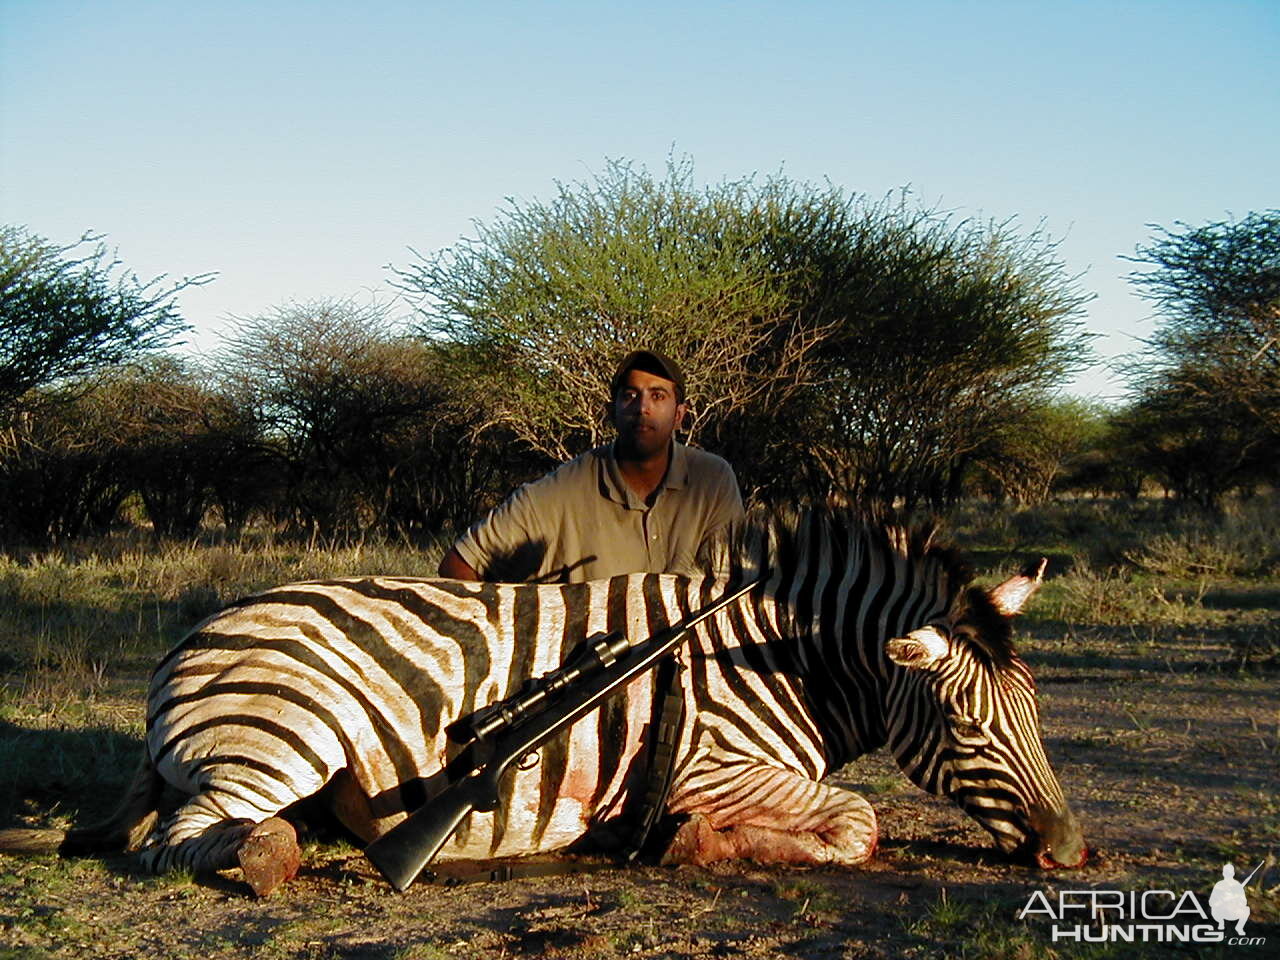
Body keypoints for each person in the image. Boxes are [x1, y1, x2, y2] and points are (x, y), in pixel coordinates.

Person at [438, 349, 744, 583]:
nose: (642, 408)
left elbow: (732, 587)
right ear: (612, 412)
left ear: (679, 415)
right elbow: (459, 564)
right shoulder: (561, 490)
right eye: (630, 395)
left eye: (658, 396)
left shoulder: (714, 480)